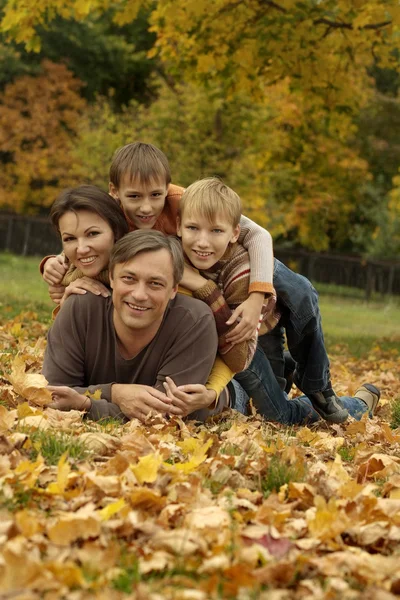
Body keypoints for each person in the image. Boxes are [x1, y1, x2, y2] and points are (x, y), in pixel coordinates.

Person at [41, 142, 352, 422]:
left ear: (168, 188)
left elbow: (256, 235)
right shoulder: (115, 216)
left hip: (239, 279)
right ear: (116, 191)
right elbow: (87, 238)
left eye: (155, 196)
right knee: (269, 392)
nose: (146, 207)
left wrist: (257, 294)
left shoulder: (188, 203)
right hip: (209, 297)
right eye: (135, 196)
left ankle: (317, 385)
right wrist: (59, 270)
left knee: (298, 293)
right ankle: (280, 370)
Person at [175, 177, 381, 425]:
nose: (202, 241)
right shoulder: (171, 253)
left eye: (216, 230)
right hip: (239, 340)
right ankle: (287, 364)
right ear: (178, 227)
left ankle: (358, 403)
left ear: (234, 233)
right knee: (271, 390)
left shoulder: (242, 271)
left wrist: (205, 288)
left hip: (246, 341)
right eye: (193, 228)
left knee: (278, 416)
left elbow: (237, 352)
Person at [43, 230, 224, 422]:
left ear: (173, 289)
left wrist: (87, 405)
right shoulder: (80, 307)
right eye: (129, 278)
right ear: (111, 277)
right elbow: (52, 394)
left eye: (155, 283)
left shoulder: (194, 320)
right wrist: (116, 393)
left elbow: (164, 416)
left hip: (220, 396)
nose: (139, 294)